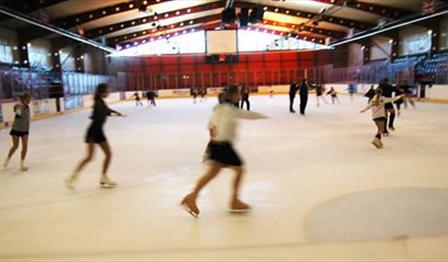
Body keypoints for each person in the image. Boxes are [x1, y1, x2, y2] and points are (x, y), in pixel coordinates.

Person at [180, 85, 268, 217]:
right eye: (238, 93)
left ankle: (191, 197)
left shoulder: (219, 109)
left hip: (215, 144)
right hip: (223, 145)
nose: (240, 96)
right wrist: (265, 116)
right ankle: (234, 201)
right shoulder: (230, 110)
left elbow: (210, 126)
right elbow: (248, 115)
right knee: (239, 170)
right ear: (233, 95)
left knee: (212, 173)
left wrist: (213, 141)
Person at [65, 84, 125, 189]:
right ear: (102, 92)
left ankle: (100, 177)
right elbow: (100, 114)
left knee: (100, 156)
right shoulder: (98, 103)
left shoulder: (100, 102)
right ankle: (75, 176)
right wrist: (95, 136)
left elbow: (107, 111)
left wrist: (116, 113)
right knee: (95, 156)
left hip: (96, 131)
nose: (109, 93)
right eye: (107, 91)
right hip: (94, 132)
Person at [3, 93, 31, 171]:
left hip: (25, 130)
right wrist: (17, 107)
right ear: (24, 99)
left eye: (29, 99)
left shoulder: (27, 107)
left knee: (25, 146)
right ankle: (7, 158)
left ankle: (22, 164)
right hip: (16, 129)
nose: (29, 101)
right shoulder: (19, 106)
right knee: (15, 146)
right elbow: (17, 113)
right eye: (28, 99)